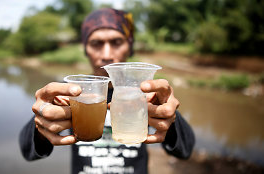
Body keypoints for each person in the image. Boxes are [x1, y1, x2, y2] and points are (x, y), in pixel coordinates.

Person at [19, 8, 195, 174]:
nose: (106, 54)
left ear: (130, 46)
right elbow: (28, 150)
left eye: (116, 42)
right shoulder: (70, 94)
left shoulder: (147, 95)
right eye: (96, 44)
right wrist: (41, 128)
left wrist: (169, 120)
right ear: (86, 49)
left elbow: (185, 150)